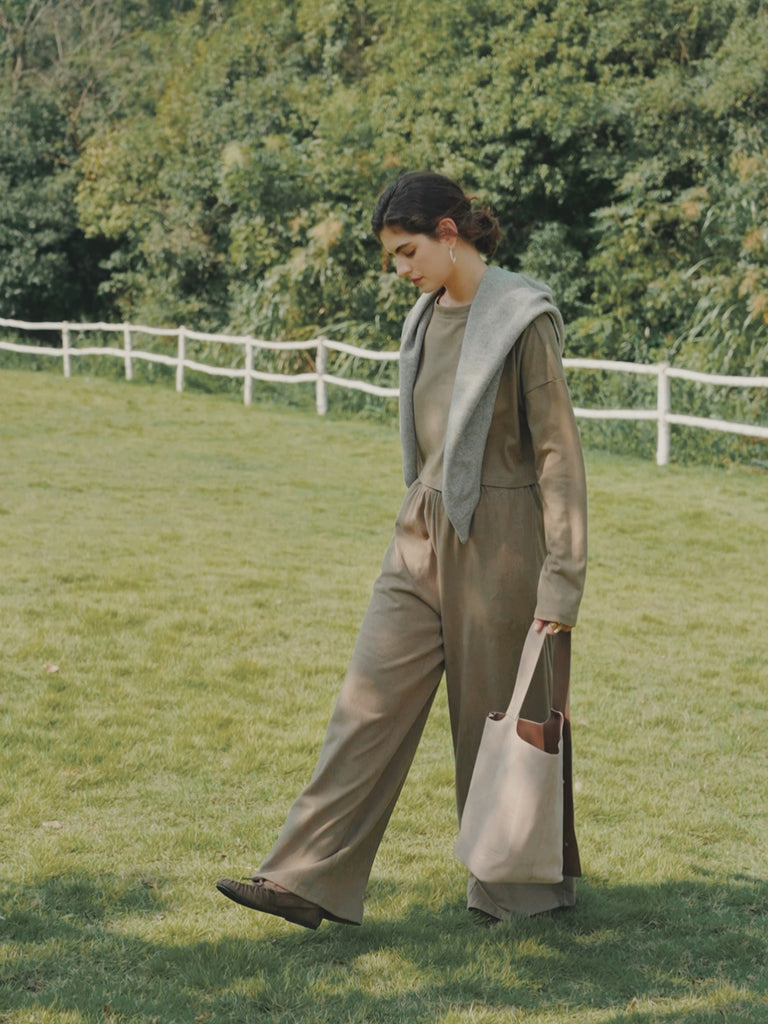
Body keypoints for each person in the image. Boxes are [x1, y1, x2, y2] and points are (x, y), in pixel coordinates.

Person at [217, 171, 588, 928]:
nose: (401, 270)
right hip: (422, 528)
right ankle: (304, 879)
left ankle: (518, 890)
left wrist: (562, 584)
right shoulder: (422, 318)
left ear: (450, 234)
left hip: (504, 537)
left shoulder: (523, 318)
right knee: (367, 701)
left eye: (408, 251)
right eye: (393, 256)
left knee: (495, 716)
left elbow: (557, 453)